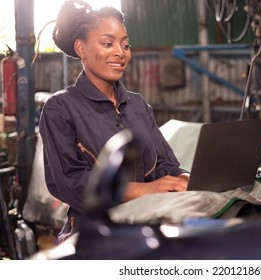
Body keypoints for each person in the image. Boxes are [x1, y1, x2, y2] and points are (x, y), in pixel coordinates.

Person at [39, 0, 189, 242]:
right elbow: (73, 184)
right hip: (91, 236)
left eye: (126, 44)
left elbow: (165, 165)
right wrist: (146, 189)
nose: (121, 52)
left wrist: (184, 178)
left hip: (145, 226)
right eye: (108, 43)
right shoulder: (60, 108)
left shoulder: (138, 105)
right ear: (82, 49)